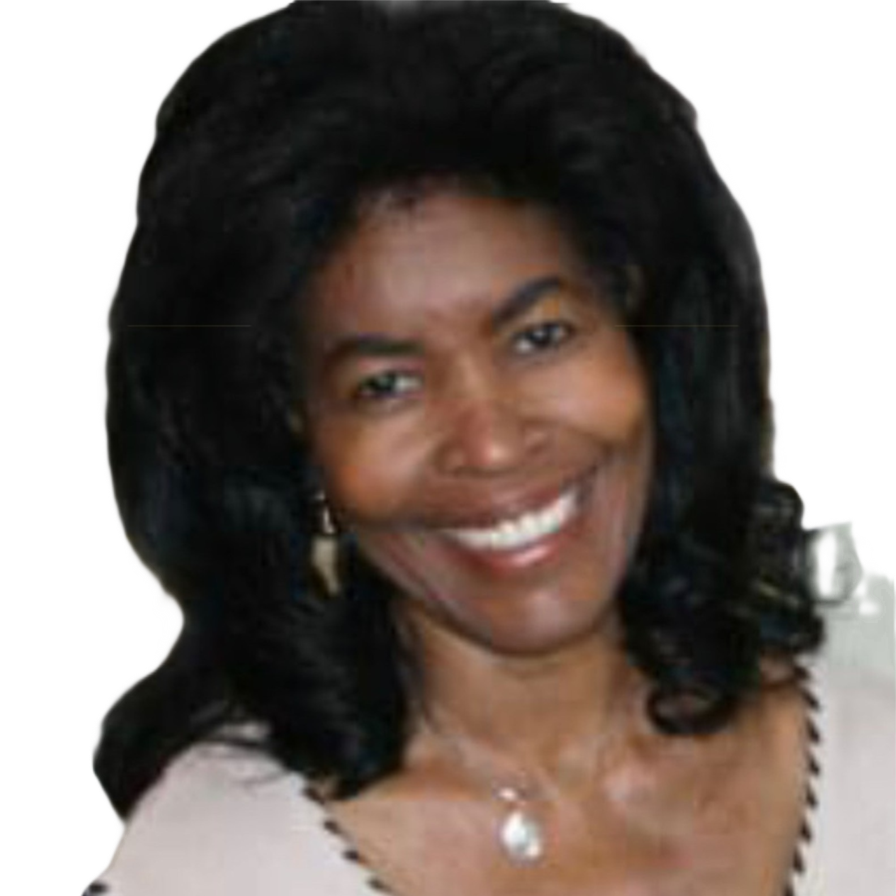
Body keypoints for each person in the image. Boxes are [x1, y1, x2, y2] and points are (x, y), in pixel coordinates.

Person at [90, 1, 896, 894]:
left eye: (541, 336)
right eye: (385, 385)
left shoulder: (881, 714)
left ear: (642, 328)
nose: (492, 443)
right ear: (291, 431)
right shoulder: (214, 871)